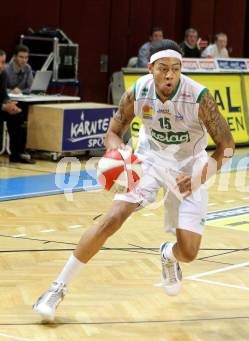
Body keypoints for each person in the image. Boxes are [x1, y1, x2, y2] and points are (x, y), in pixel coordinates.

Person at [33, 39, 235, 321]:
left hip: (190, 164)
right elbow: (114, 131)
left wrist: (200, 176)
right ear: (150, 68)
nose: (169, 75)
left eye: (176, 69)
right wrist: (118, 151)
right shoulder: (137, 92)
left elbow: (227, 145)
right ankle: (56, 289)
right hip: (149, 160)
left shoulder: (199, 97)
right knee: (111, 219)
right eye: (163, 69)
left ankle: (169, 255)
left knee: (189, 252)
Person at [0, 49, 35, 164]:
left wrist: (10, 104)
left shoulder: (3, 74)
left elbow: (4, 95)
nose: (3, 66)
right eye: (0, 63)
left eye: (4, 62)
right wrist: (4, 107)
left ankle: (17, 154)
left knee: (18, 116)